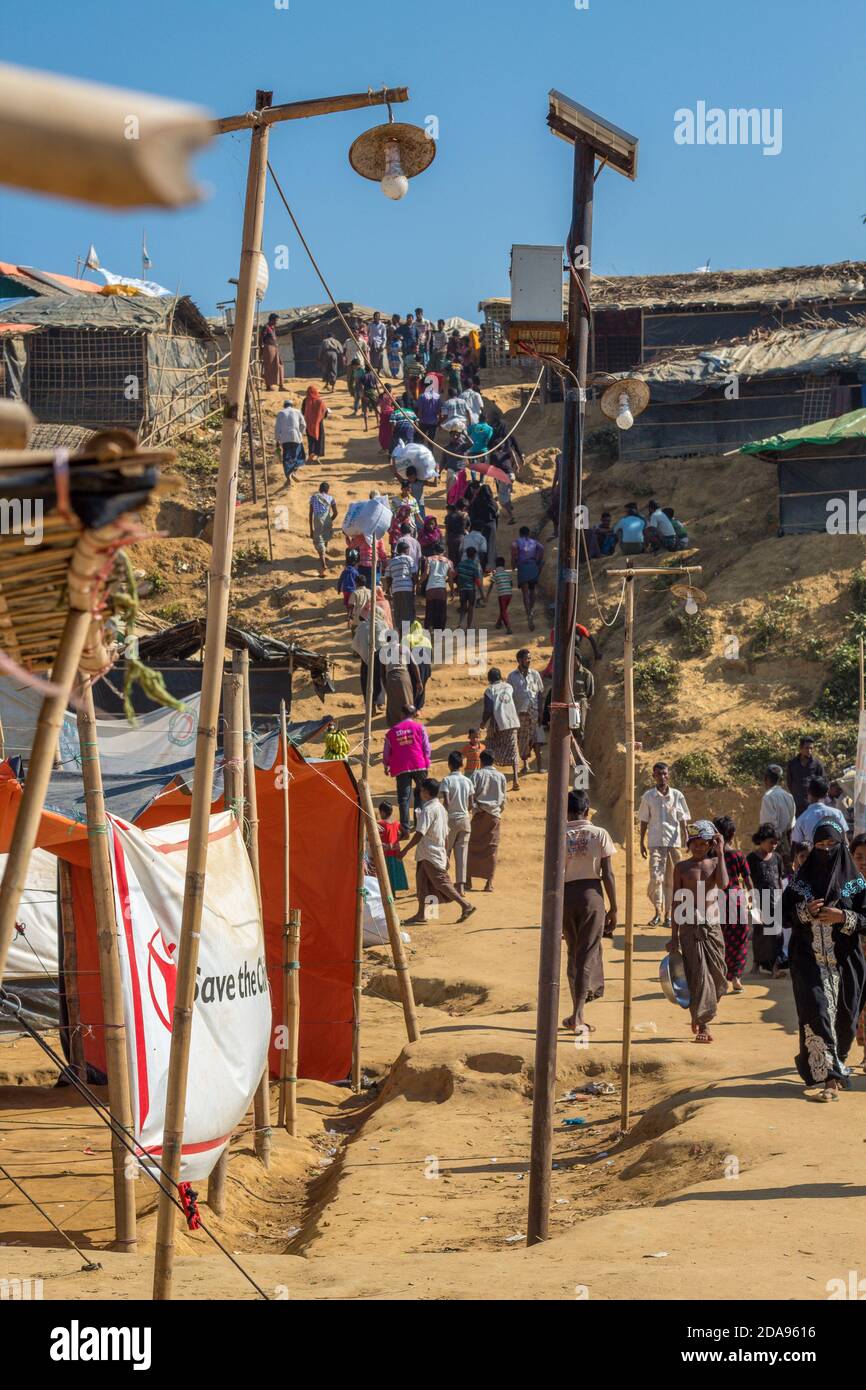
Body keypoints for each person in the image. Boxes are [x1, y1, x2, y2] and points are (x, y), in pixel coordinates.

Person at [781, 821, 866, 1100]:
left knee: (844, 1021)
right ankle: (830, 1080)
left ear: (841, 846)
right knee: (817, 1013)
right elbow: (782, 914)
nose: (826, 850)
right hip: (809, 962)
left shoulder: (857, 884)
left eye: (832, 845)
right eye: (820, 846)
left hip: (846, 964)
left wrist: (843, 917)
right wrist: (804, 912)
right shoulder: (800, 882)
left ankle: (837, 1066)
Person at [560, 790, 617, 1036]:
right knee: (587, 953)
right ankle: (579, 1015)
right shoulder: (599, 833)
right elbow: (608, 874)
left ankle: (577, 1011)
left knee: (574, 953)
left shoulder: (559, 834)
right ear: (588, 809)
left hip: (565, 896)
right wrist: (614, 907)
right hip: (591, 896)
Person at [670, 821, 729, 1043]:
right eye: (695, 843)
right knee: (699, 974)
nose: (699, 848)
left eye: (704, 844)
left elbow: (723, 884)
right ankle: (703, 1023)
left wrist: (721, 852)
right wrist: (673, 936)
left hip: (712, 927)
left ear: (711, 844)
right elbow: (676, 902)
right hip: (689, 928)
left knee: (718, 975)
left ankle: (699, 1012)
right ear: (689, 843)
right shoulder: (682, 868)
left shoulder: (714, 863)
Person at [398, 778, 475, 924]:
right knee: (422, 884)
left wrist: (405, 850)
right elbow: (445, 834)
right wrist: (445, 854)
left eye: (421, 790)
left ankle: (466, 905)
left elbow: (420, 833)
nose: (420, 793)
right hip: (431, 852)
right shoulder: (441, 808)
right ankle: (421, 914)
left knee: (442, 882)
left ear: (426, 792)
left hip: (429, 853)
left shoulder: (428, 810)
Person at [639, 762, 691, 928]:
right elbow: (644, 820)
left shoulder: (677, 796)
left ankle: (668, 915)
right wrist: (641, 842)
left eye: (664, 774)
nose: (662, 777)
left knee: (673, 881)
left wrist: (687, 837)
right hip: (655, 843)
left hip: (674, 843)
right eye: (658, 774)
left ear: (668, 775)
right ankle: (657, 912)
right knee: (656, 878)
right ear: (654, 776)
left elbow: (683, 819)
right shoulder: (648, 797)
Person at [713, 816, 754, 994]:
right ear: (732, 835)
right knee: (740, 940)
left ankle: (720, 976)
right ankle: (736, 977)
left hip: (715, 900)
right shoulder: (738, 855)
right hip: (736, 900)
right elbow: (748, 881)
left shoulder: (710, 856)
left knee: (721, 939)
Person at [382, 707, 431, 835]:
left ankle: (405, 828)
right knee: (421, 794)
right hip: (419, 764)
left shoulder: (392, 732)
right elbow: (426, 748)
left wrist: (386, 764)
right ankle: (418, 823)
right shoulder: (420, 728)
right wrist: (427, 762)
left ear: (402, 714)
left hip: (401, 766)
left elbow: (387, 752)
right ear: (414, 714)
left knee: (403, 798)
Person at [747, 824, 786, 977]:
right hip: (759, 901)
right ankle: (756, 965)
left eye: (776, 842)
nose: (774, 846)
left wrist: (783, 899)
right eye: (771, 842)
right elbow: (748, 882)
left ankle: (775, 967)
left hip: (775, 901)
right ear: (762, 840)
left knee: (776, 935)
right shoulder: (752, 858)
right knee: (760, 934)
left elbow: (780, 880)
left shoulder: (777, 858)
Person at [467, 749, 507, 892]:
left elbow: (470, 794)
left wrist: (474, 808)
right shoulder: (501, 776)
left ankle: (468, 881)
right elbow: (503, 799)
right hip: (494, 815)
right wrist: (497, 810)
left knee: (472, 846)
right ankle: (488, 883)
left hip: (479, 814)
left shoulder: (476, 775)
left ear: (481, 761)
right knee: (492, 848)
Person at [480, 666, 520, 790]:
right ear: (501, 677)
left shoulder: (490, 690)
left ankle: (490, 778)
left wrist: (483, 722)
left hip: (498, 722)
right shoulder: (509, 687)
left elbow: (488, 709)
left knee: (490, 746)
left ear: (489, 679)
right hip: (512, 721)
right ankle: (515, 780)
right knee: (513, 749)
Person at [440, 750, 475, 894]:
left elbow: (447, 803)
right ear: (462, 764)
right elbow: (471, 804)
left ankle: (443, 883)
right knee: (462, 854)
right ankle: (460, 886)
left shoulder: (447, 780)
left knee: (444, 852)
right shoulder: (467, 781)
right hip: (465, 819)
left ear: (449, 765)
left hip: (451, 820)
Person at [508, 649, 545, 776]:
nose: (528, 660)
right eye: (526, 658)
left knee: (537, 739)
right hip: (520, 714)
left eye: (529, 658)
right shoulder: (512, 677)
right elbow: (509, 697)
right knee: (522, 740)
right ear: (519, 660)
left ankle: (540, 766)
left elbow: (540, 693)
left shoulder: (535, 674)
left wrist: (541, 712)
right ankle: (526, 766)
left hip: (534, 713)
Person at [792, 777, 848, 850]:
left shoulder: (801, 820)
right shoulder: (837, 814)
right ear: (826, 794)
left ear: (808, 792)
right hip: (836, 859)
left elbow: (798, 848)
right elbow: (845, 841)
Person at [760, 765, 796, 870]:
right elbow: (792, 823)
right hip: (787, 843)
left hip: (774, 844)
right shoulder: (789, 796)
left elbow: (768, 827)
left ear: (766, 779)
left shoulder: (768, 797)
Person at [511, 528, 544, 630]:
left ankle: (528, 613)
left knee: (525, 593)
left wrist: (514, 564)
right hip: (533, 565)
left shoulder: (516, 542)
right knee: (532, 589)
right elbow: (542, 548)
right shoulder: (534, 542)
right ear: (528, 533)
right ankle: (531, 610)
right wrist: (538, 560)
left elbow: (514, 553)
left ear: (520, 533)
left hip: (523, 567)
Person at [786, 736, 825, 818]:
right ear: (800, 748)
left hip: (812, 804)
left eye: (811, 748)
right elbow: (789, 782)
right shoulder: (792, 764)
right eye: (807, 748)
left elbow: (822, 782)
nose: (809, 751)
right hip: (797, 804)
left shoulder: (817, 764)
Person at [377, 800, 408, 895]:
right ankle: (393, 893)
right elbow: (406, 834)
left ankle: (390, 893)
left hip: (386, 853)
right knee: (394, 872)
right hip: (396, 852)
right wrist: (397, 839)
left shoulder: (381, 824)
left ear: (382, 812)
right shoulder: (396, 823)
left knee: (387, 873)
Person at [422, 543, 452, 634]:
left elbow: (425, 574)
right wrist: (453, 591)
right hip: (441, 589)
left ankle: (428, 630)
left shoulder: (429, 559)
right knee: (441, 612)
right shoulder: (449, 562)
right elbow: (450, 578)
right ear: (444, 552)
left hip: (430, 589)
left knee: (430, 610)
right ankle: (439, 631)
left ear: (434, 551)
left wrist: (418, 583)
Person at [386, 541, 416, 632]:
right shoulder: (409, 559)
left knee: (398, 610)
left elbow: (388, 577)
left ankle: (400, 633)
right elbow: (414, 574)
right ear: (406, 550)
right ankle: (407, 635)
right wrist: (415, 587)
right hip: (407, 588)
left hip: (396, 589)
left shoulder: (391, 561)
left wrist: (388, 589)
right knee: (408, 610)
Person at [308, 482, 337, 576]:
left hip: (318, 521)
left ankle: (323, 565)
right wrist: (329, 520)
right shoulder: (331, 498)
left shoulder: (314, 497)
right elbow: (336, 512)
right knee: (325, 538)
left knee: (318, 541)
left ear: (319, 489)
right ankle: (323, 554)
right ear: (327, 490)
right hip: (327, 520)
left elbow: (310, 513)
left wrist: (311, 529)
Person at [468, 482, 498, 575]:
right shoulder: (493, 502)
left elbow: (472, 516)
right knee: (491, 546)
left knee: (481, 547)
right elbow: (496, 515)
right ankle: (491, 566)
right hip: (491, 526)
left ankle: (482, 566)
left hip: (480, 527)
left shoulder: (476, 501)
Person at [275, 397, 306, 484]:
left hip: (285, 439)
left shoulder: (281, 413)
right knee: (299, 455)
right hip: (296, 438)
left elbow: (277, 428)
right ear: (292, 405)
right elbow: (303, 425)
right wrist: (300, 433)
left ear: (284, 406)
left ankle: (289, 475)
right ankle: (293, 471)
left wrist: (277, 440)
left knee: (287, 457)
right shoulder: (297, 412)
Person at [456, 546, 483, 630]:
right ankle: (469, 626)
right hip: (471, 590)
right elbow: (477, 581)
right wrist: (482, 593)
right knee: (471, 608)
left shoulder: (461, 564)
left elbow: (455, 573)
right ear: (474, 555)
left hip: (462, 589)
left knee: (463, 607)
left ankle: (460, 624)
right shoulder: (474, 566)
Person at [571, 651, 595, 742]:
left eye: (573, 659)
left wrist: (584, 703)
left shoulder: (586, 674)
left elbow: (590, 692)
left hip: (581, 702)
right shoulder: (568, 672)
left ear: (578, 660)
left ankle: (580, 751)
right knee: (570, 727)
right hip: (569, 702)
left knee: (580, 727)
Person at [302, 385, 329, 459]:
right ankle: (318, 454)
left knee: (311, 439)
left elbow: (303, 411)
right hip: (318, 423)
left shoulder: (305, 400)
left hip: (309, 424)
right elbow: (325, 412)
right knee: (319, 438)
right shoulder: (320, 401)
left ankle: (311, 453)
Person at [489, 556, 514, 634]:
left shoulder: (496, 574)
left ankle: (508, 627)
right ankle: (498, 623)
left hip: (502, 595)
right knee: (503, 610)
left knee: (503, 611)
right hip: (509, 594)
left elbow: (491, 585)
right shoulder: (507, 574)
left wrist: (487, 595)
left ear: (496, 565)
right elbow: (511, 584)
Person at [260, 313, 284, 391]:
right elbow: (261, 339)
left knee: (280, 365)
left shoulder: (273, 328)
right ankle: (268, 386)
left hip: (275, 348)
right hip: (268, 348)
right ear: (272, 320)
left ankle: (281, 385)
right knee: (269, 366)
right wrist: (262, 349)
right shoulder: (266, 327)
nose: (277, 322)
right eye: (276, 320)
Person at [335, 548, 361, 623]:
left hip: (345, 590)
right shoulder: (355, 572)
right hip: (352, 590)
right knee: (352, 603)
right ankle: (351, 615)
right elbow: (358, 581)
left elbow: (340, 580)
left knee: (347, 603)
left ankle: (348, 614)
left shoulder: (344, 571)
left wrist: (339, 589)